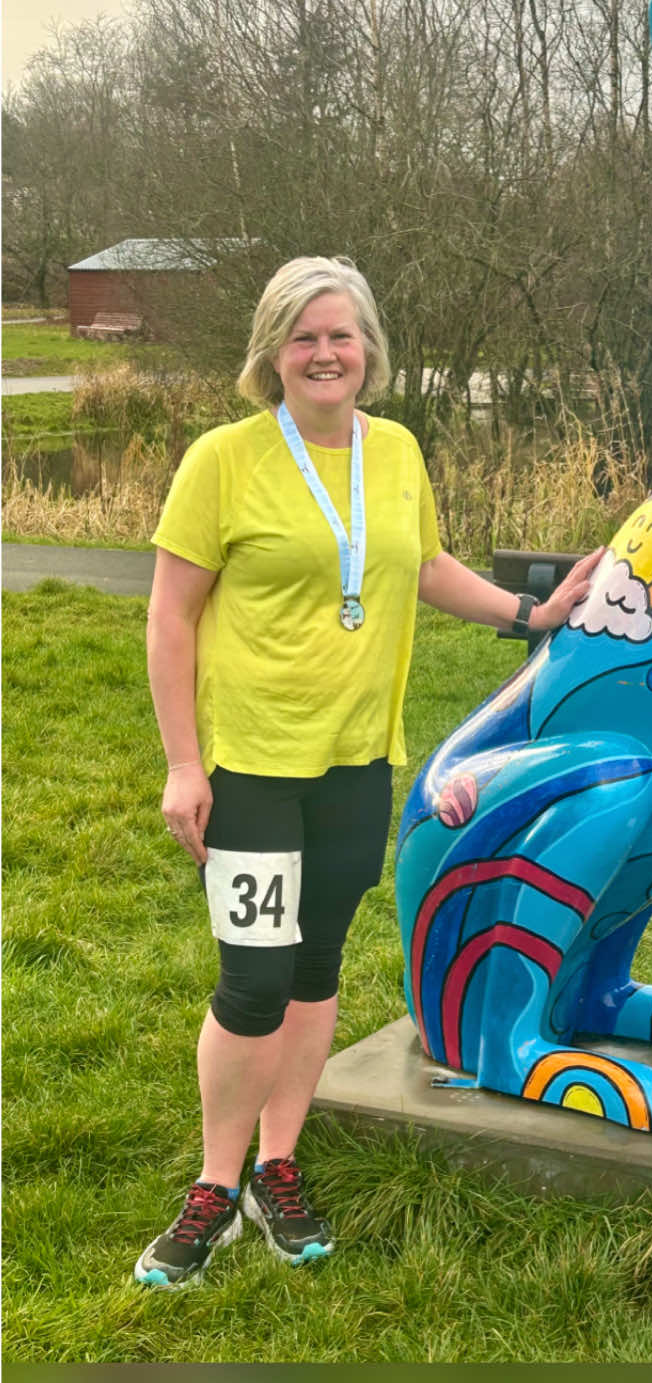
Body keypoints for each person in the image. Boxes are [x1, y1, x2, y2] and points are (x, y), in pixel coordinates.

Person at [135, 255, 601, 1288]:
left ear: (369, 349)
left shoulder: (393, 450)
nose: (323, 353)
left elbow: (421, 564)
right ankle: (215, 1183)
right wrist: (181, 763)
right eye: (302, 336)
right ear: (272, 352)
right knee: (251, 980)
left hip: (356, 765)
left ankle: (278, 1166)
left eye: (340, 334)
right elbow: (171, 614)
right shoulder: (224, 459)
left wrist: (531, 615)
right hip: (252, 764)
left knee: (313, 972)